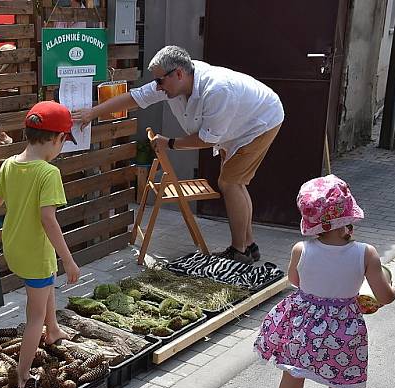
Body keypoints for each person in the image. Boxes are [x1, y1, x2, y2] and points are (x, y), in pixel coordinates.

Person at [73, 45, 284, 265]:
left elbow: (206, 139)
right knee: (236, 183)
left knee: (230, 183)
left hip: (259, 123)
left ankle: (239, 251)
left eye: (160, 81)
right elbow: (135, 98)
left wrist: (170, 143)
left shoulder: (217, 90)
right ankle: (249, 246)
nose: (157, 87)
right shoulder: (172, 80)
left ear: (179, 74)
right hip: (236, 123)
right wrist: (93, 113)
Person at [254, 175, 395, 388]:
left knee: (289, 386)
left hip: (304, 332)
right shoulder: (366, 253)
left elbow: (295, 281)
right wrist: (389, 285)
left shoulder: (300, 250)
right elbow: (385, 296)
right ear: (348, 214)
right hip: (344, 335)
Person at [0, 101, 81, 388]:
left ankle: (53, 332)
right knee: (34, 317)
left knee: (45, 288)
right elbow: (47, 219)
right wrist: (68, 259)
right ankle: (23, 373)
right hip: (35, 253)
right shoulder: (48, 173)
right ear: (58, 139)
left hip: (14, 247)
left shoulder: (9, 165)